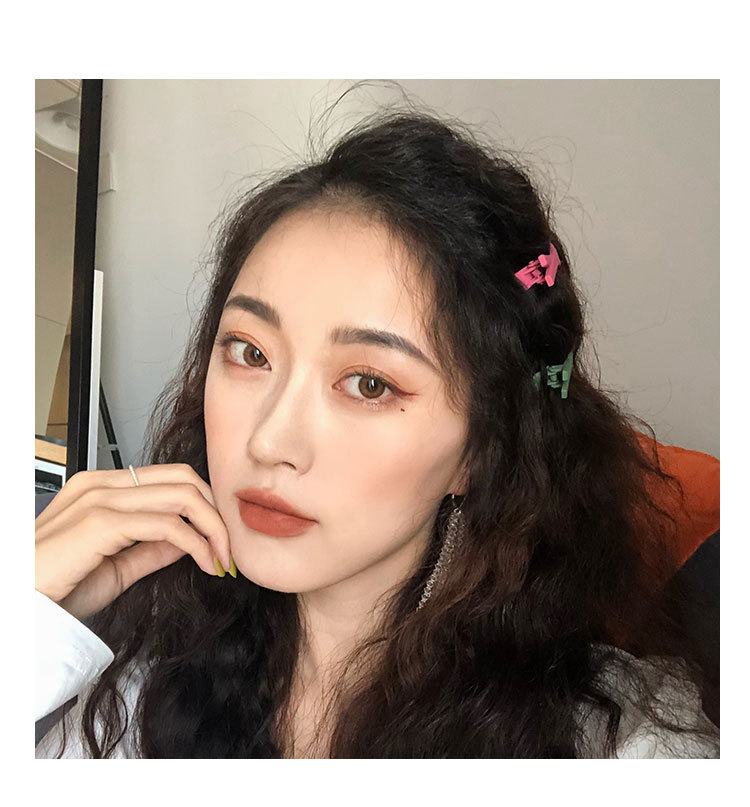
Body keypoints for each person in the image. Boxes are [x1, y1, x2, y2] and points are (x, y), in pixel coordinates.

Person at [35, 97, 719, 758]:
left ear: (482, 449)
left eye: (369, 384)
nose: (268, 441)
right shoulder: (134, 690)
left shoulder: (621, 748)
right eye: (250, 352)